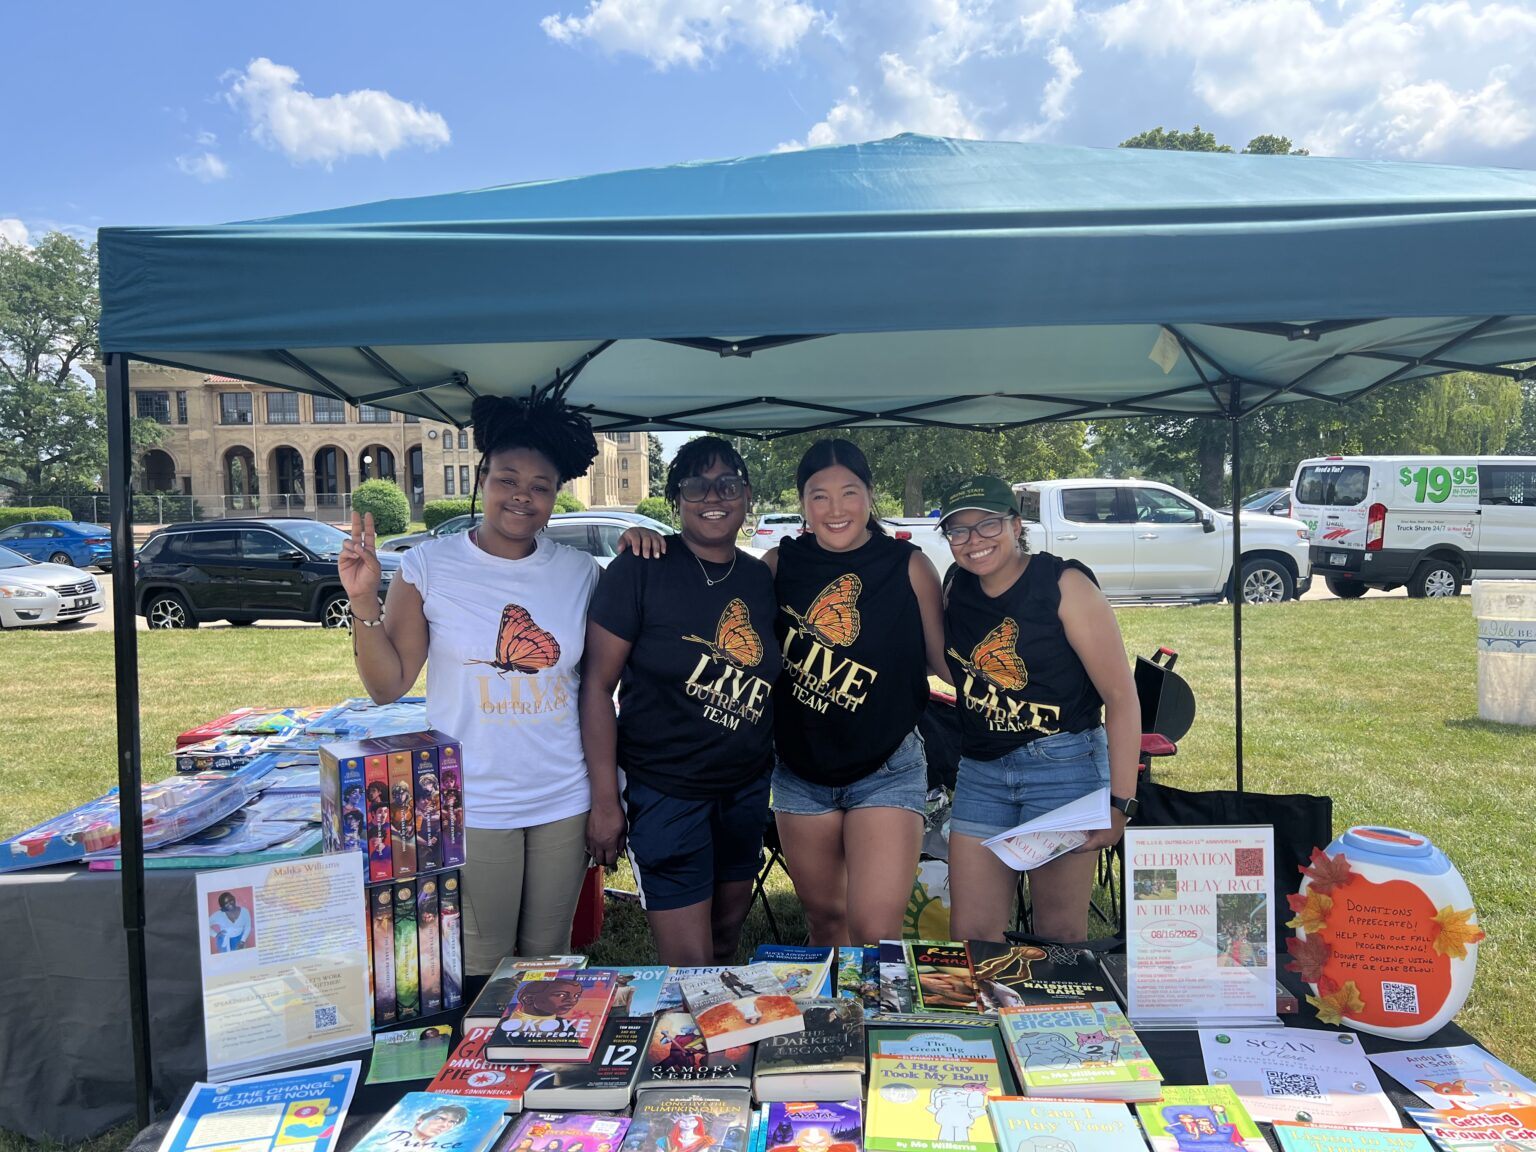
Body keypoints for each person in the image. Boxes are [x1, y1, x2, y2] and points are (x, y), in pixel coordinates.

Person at [339, 388, 602, 973]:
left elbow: (597, 682)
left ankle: (541, 1064)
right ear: (482, 478)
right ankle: (482, 1065)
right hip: (475, 799)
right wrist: (363, 603)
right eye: (508, 479)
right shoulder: (429, 565)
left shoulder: (580, 572)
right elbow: (389, 686)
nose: (523, 497)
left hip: (563, 794)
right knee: (482, 964)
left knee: (549, 964)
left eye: (541, 487)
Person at [581, 438, 782, 966]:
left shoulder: (760, 579)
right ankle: (693, 1046)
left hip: (743, 790)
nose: (713, 495)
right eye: (695, 484)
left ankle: (722, 1046)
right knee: (691, 964)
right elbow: (597, 687)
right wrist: (606, 800)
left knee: (726, 939)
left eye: (728, 484)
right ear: (676, 499)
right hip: (666, 791)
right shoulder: (641, 567)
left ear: (747, 495)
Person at [938, 475, 1139, 943]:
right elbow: (954, 670)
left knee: (1059, 937)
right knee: (971, 939)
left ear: (1016, 524)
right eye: (959, 531)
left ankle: (1056, 1017)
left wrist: (1121, 804)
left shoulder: (1063, 583)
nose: (974, 541)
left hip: (1063, 768)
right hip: (981, 772)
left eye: (988, 525)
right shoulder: (956, 586)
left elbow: (1122, 698)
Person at [763, 439, 948, 945]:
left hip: (886, 767)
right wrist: (654, 550)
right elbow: (711, 600)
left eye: (849, 492)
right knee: (826, 920)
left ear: (870, 495)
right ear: (803, 503)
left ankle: (877, 1022)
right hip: (800, 772)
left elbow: (946, 664)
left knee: (875, 931)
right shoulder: (779, 564)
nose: (836, 508)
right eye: (819, 495)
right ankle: (836, 1025)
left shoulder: (908, 565)